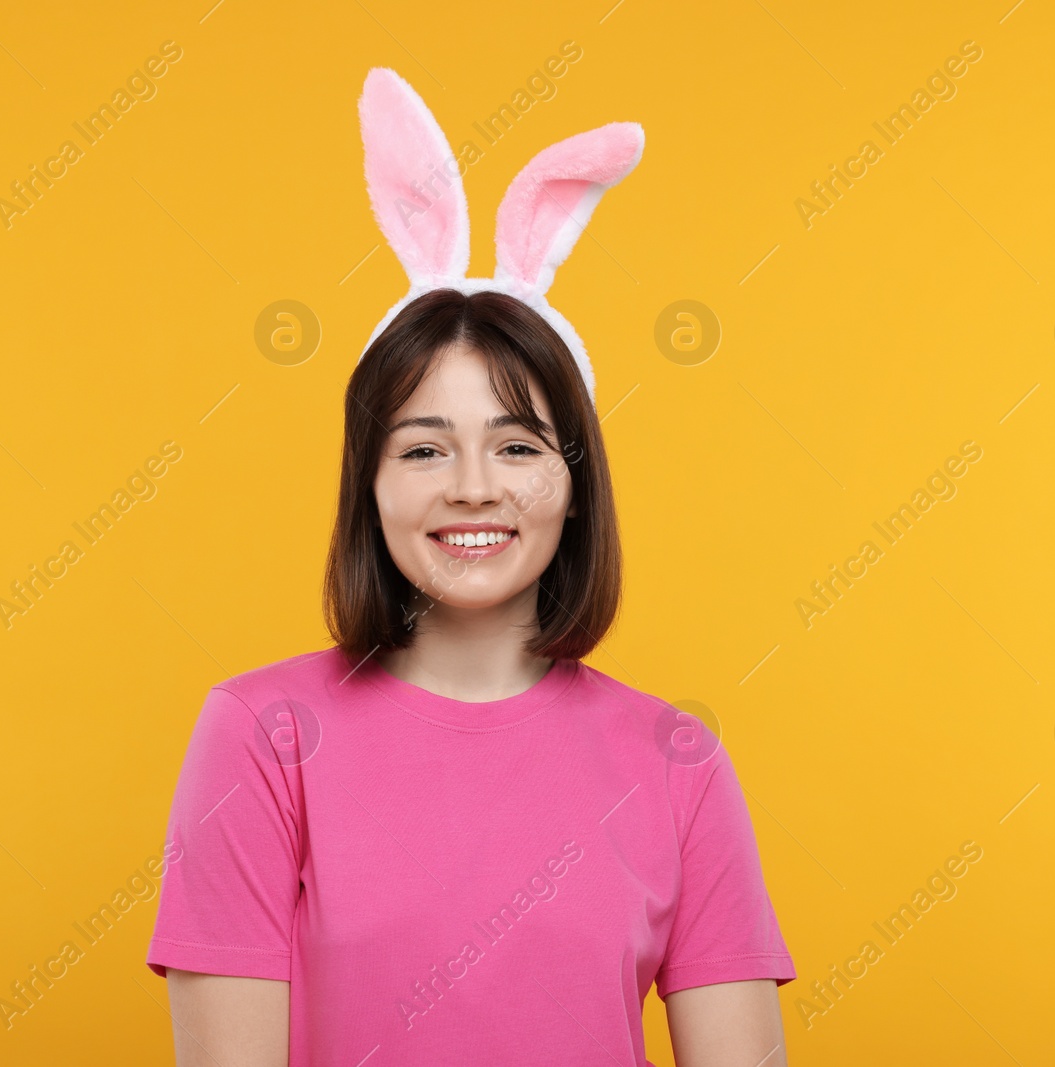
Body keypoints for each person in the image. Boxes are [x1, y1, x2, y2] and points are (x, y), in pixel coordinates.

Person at [145, 68, 795, 1067]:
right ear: (369, 483)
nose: (472, 486)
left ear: (576, 483)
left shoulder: (677, 764)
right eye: (421, 447)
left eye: (519, 446)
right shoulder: (259, 739)